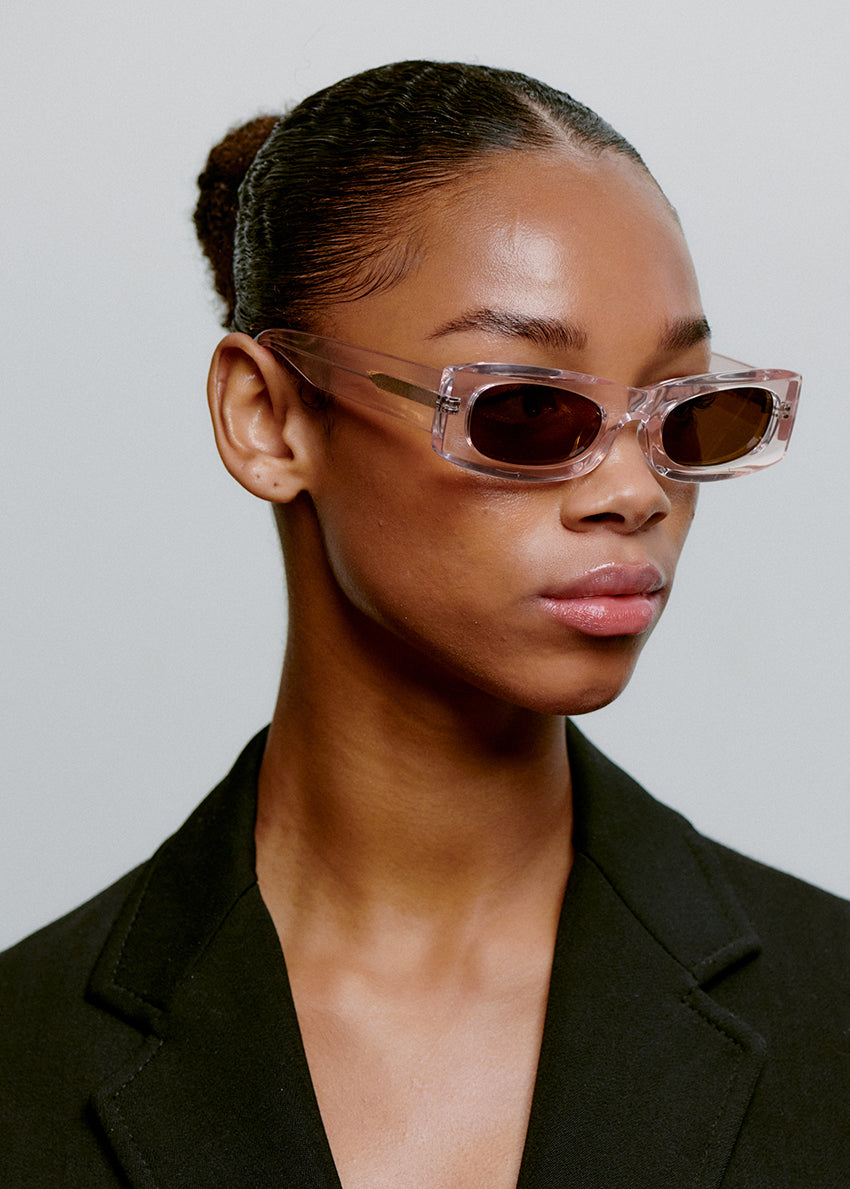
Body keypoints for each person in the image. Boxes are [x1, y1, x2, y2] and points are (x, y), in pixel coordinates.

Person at [0, 59, 846, 1188]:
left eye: (689, 411)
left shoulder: (830, 1011)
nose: (635, 491)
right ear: (269, 418)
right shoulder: (23, 1062)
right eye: (529, 408)